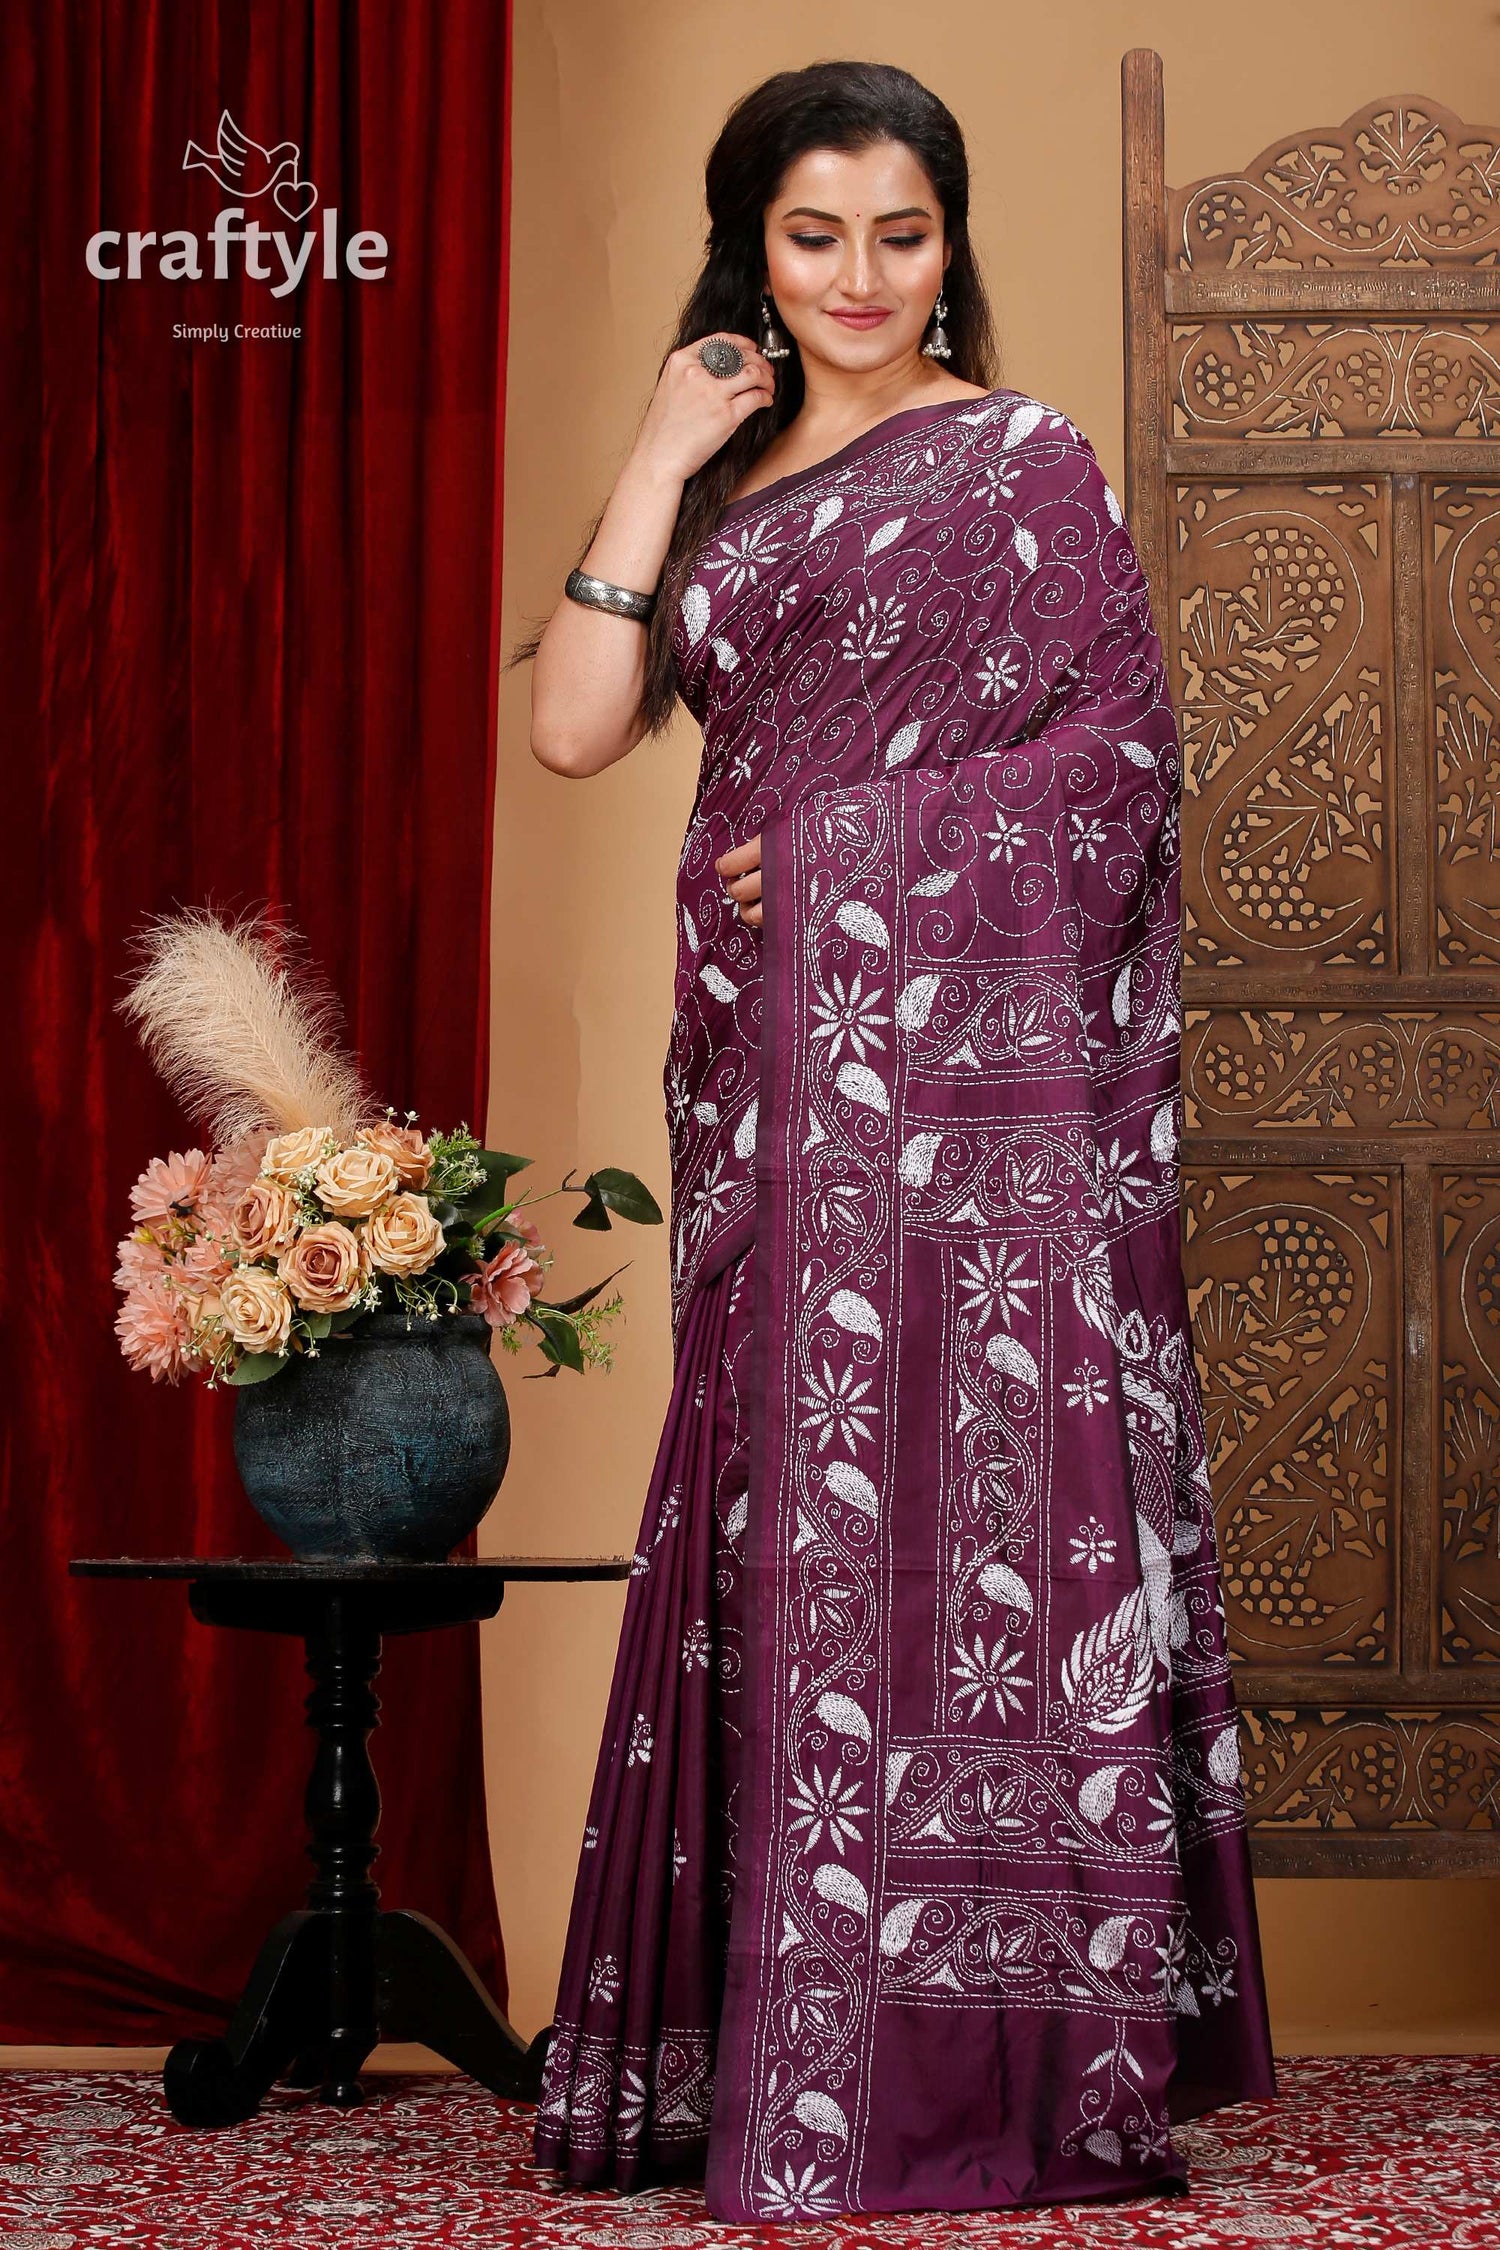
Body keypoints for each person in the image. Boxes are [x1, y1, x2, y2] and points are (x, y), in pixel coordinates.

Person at [517, 56, 1276, 2225]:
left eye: (903, 232)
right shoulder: (730, 486)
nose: (863, 278)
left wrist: (865, 846)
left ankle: (985, 2065)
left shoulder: (1022, 467)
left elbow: (1122, 770)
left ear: (953, 241)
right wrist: (665, 445)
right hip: (772, 1084)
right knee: (787, 1517)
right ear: (752, 249)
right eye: (814, 236)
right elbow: (578, 730)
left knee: (971, 1516)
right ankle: (768, 2034)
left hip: (971, 1110)